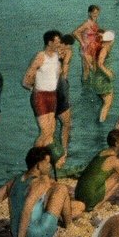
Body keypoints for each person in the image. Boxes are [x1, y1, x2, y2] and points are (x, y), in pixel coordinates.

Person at [0, 147, 84, 237]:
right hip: (35, 235)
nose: (49, 166)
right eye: (47, 163)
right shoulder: (41, 182)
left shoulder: (14, 180)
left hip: (14, 233)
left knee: (49, 196)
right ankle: (69, 225)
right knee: (62, 189)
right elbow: (27, 208)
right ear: (38, 166)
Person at [75, 130, 119, 211]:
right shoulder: (116, 161)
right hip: (89, 198)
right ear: (116, 144)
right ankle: (97, 206)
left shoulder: (103, 152)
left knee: (114, 174)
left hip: (78, 195)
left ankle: (94, 202)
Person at [22, 30, 62, 149]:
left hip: (53, 95)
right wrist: (32, 89)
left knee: (51, 132)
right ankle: (33, 161)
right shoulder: (40, 56)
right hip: (40, 96)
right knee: (44, 132)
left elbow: (57, 74)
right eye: (57, 42)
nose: (59, 44)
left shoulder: (56, 56)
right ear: (50, 43)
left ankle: (46, 160)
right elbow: (26, 79)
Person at [55, 34, 75, 168]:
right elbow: (65, 67)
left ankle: (55, 153)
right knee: (67, 124)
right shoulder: (68, 51)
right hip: (61, 84)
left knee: (52, 123)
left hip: (49, 86)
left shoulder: (51, 51)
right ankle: (64, 153)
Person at [90, 30, 116, 122]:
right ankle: (101, 122)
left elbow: (93, 66)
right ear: (111, 41)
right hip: (103, 80)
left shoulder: (99, 48)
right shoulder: (104, 49)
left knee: (104, 102)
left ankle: (100, 119)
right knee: (107, 103)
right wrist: (108, 73)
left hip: (97, 79)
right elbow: (100, 63)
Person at [72, 5, 101, 83]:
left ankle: (92, 88)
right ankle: (84, 91)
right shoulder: (86, 24)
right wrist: (82, 42)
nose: (96, 15)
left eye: (97, 13)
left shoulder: (95, 23)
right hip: (86, 49)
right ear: (89, 13)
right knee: (86, 71)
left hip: (94, 48)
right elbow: (75, 32)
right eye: (94, 13)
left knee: (95, 70)